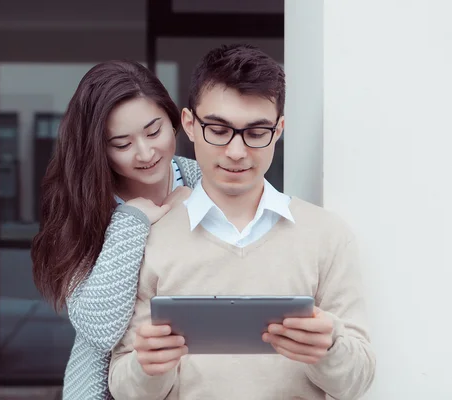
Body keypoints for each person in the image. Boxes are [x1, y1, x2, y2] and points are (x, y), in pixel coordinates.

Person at [109, 44, 376, 399]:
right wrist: (148, 367)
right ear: (189, 124)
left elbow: (357, 381)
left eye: (256, 133)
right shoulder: (149, 240)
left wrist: (329, 349)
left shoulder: (327, 236)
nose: (236, 152)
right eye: (218, 130)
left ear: (278, 130)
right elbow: (124, 387)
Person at [30, 60, 202, 400]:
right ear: (98, 149)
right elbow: (98, 328)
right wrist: (130, 222)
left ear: (174, 121)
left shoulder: (203, 183)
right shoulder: (82, 205)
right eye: (122, 144)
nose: (146, 153)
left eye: (154, 131)